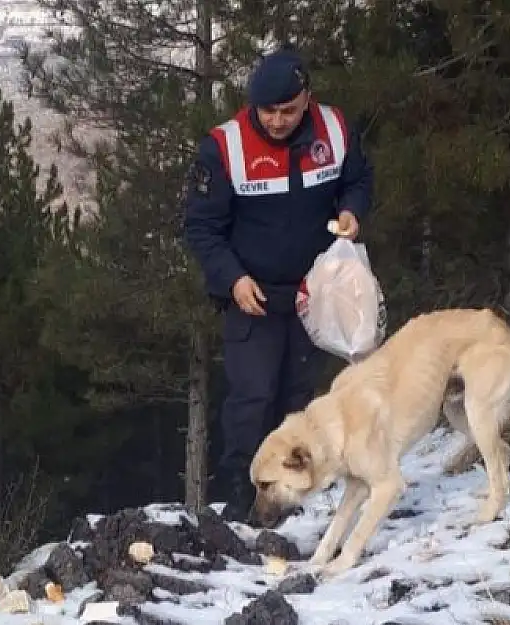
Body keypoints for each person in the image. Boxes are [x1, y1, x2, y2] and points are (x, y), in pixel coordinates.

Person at [181, 48, 374, 523]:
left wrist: (352, 210)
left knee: (300, 400)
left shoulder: (333, 129)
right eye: (268, 111)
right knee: (252, 399)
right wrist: (232, 279)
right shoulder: (224, 147)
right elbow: (200, 228)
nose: (278, 120)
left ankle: (293, 503)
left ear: (307, 98)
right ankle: (237, 506)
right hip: (252, 296)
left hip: (315, 294)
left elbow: (359, 179)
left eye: (288, 109)